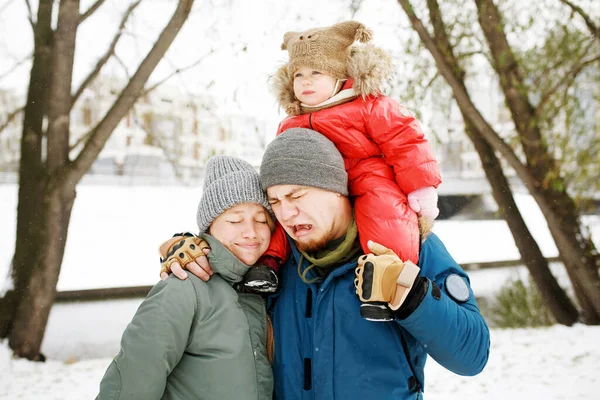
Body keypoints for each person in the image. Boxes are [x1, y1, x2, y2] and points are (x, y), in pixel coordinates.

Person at [163, 129, 490, 399]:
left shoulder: (407, 243)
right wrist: (186, 246)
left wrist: (412, 296)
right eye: (275, 201)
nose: (286, 214)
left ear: (336, 190)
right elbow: (226, 240)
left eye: (297, 196)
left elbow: (472, 356)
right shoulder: (273, 258)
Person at [242, 21, 442, 304]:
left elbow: (405, 140)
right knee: (284, 211)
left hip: (364, 173)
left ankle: (386, 278)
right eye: (298, 74)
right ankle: (268, 264)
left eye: (316, 72)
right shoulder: (291, 122)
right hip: (313, 186)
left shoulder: (368, 104)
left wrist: (420, 186)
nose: (306, 81)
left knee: (385, 211)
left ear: (338, 75)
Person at [97, 156, 274, 400]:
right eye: (235, 219)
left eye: (262, 220)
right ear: (209, 226)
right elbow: (129, 388)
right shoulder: (182, 289)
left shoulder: (271, 285)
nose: (251, 232)